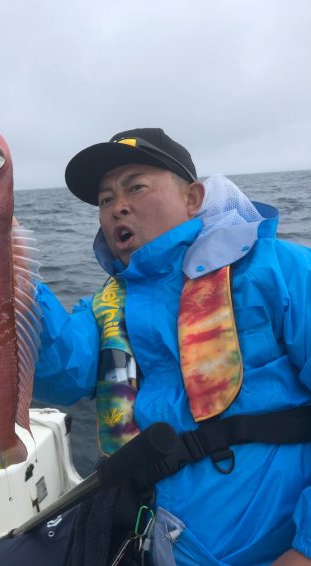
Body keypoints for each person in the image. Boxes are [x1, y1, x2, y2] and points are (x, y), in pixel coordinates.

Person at [32, 128, 311, 565]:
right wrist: (5, 274)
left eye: (136, 186)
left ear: (193, 198)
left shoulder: (279, 269)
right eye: (105, 200)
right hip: (155, 542)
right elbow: (61, 374)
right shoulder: (106, 307)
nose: (117, 206)